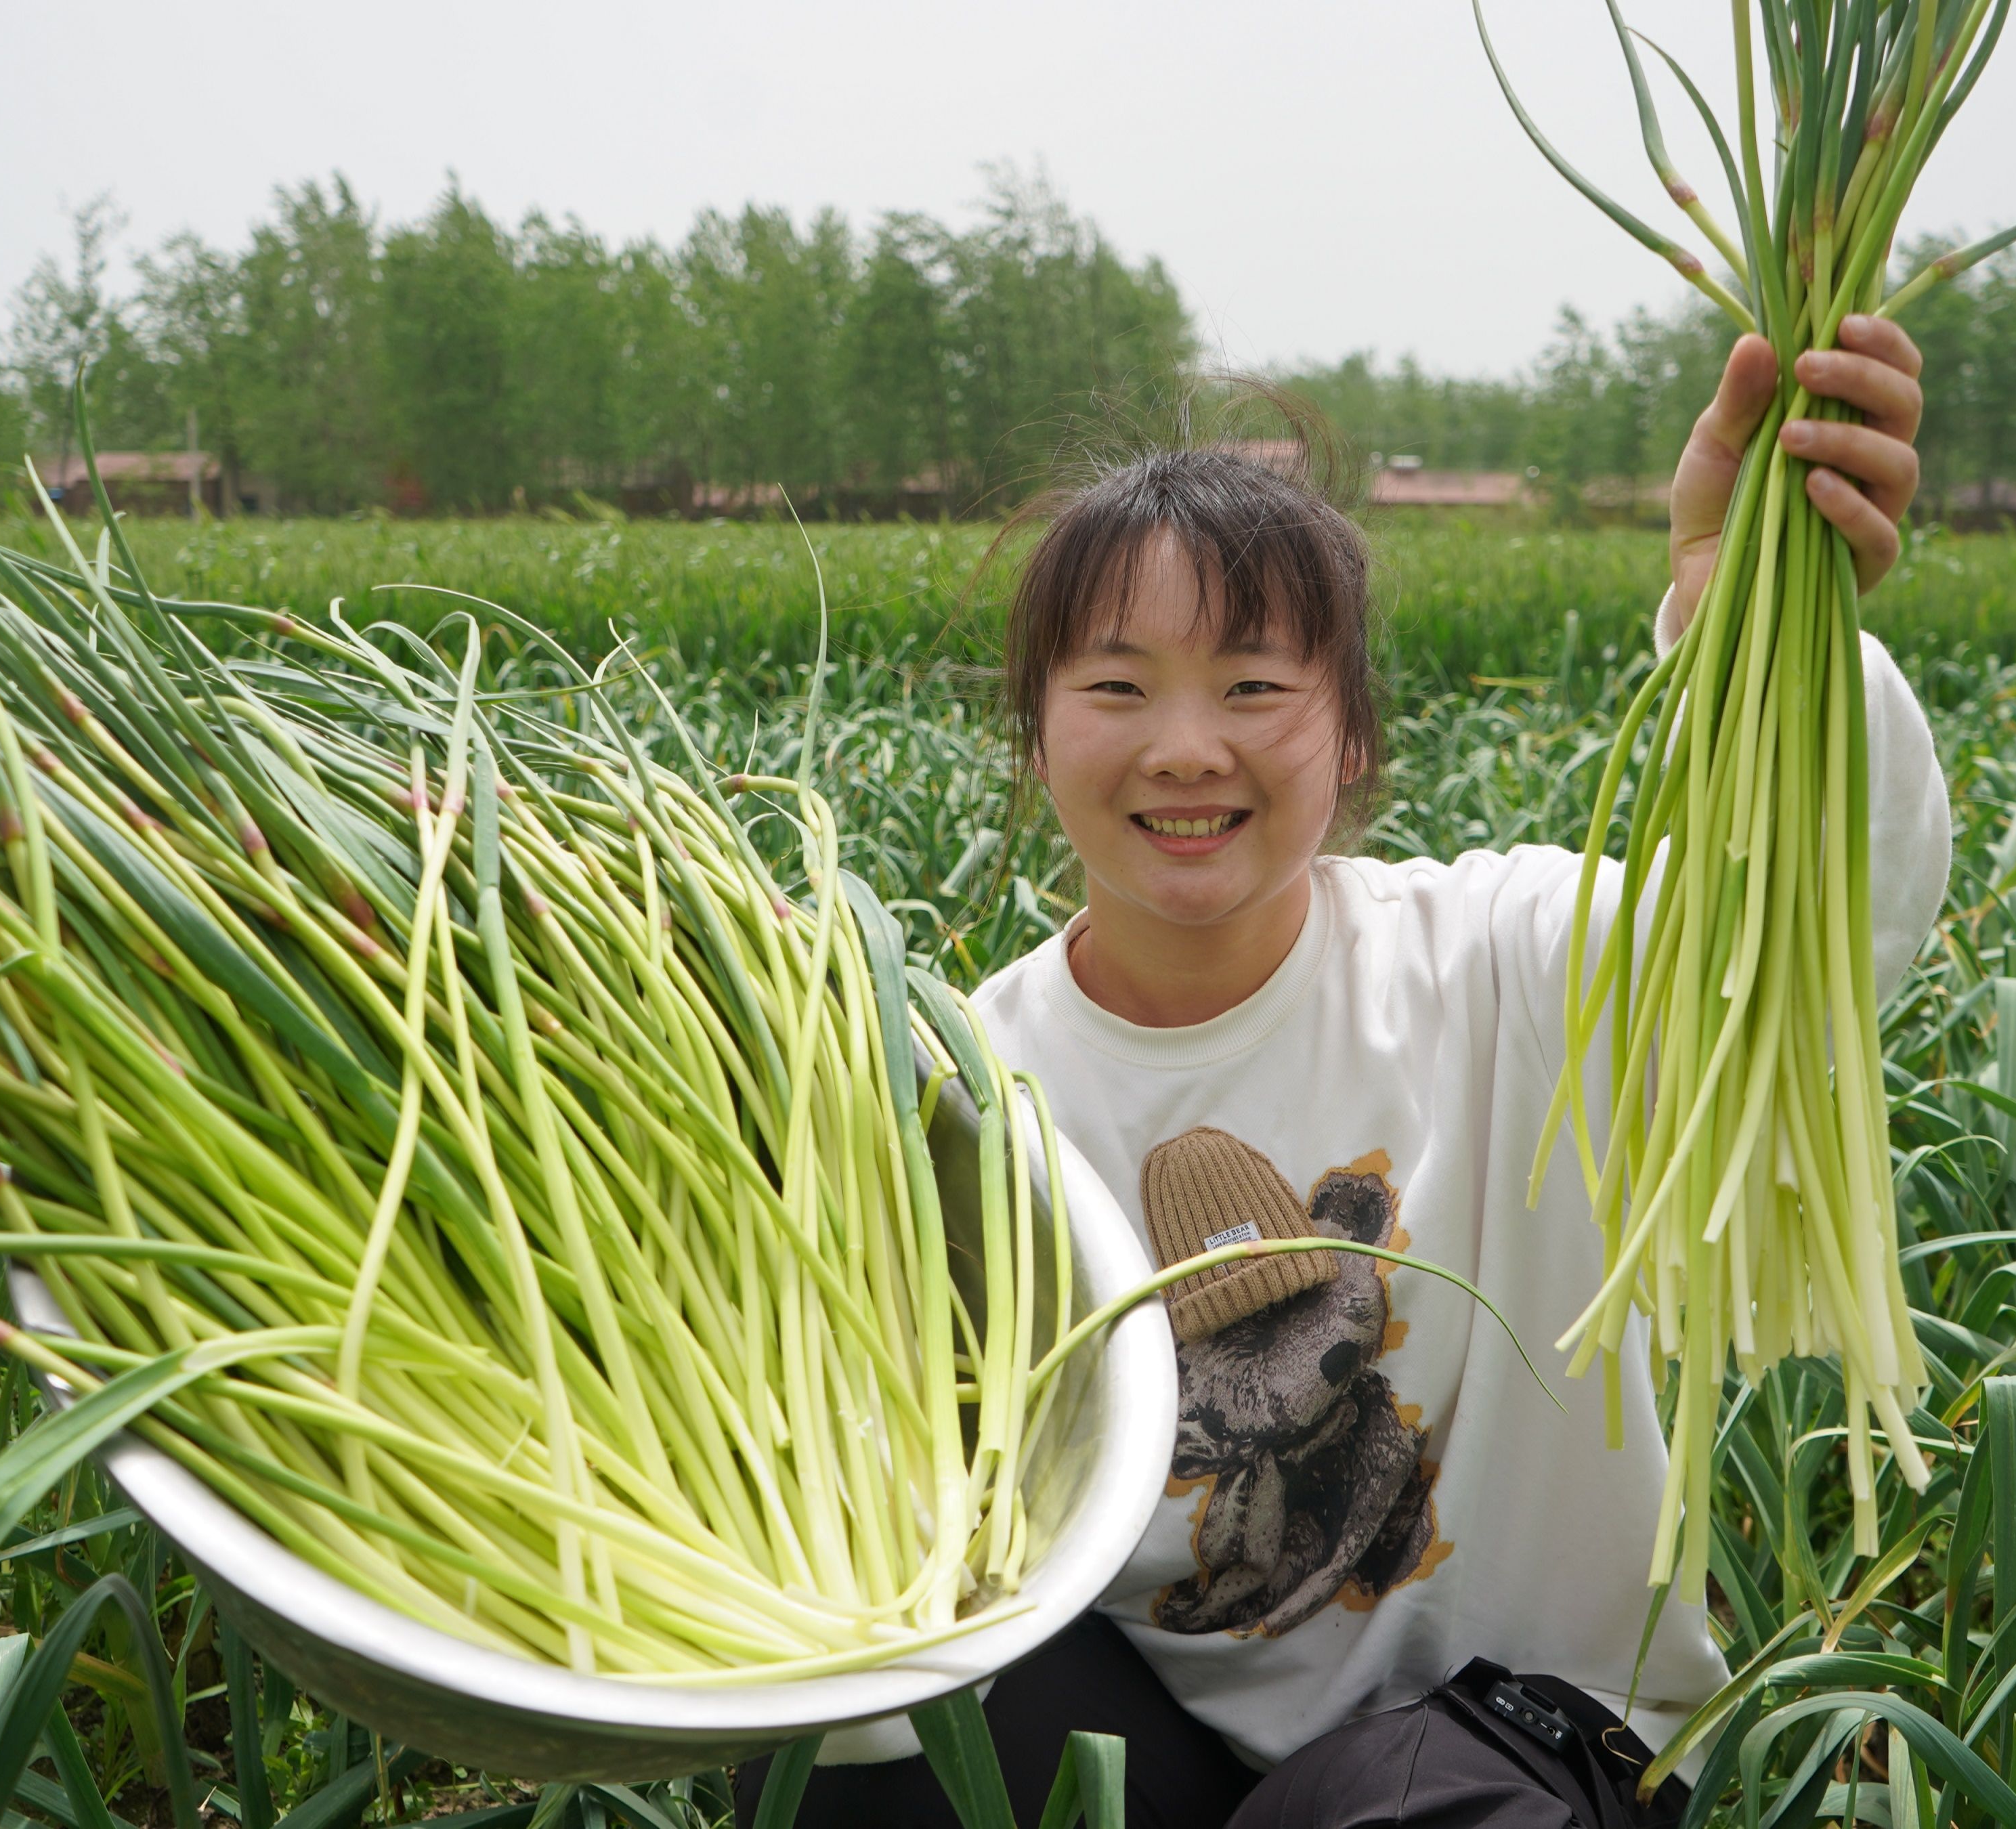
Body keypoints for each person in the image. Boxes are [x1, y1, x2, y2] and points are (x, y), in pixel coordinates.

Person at [737, 316, 1952, 1829]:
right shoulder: (974, 1091)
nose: (1186, 747)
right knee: (846, 1731)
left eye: (1253, 688)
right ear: (1037, 739)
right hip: (1166, 1743)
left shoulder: (1510, 962)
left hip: (1505, 1747)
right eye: (1117, 690)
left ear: (1351, 733)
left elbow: (1813, 942)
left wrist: (1751, 622)